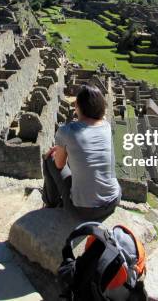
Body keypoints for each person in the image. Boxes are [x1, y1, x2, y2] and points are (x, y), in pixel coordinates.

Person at [42, 84, 121, 220]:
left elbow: (59, 165)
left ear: (77, 106)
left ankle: (50, 203)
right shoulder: (107, 126)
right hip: (113, 200)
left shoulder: (67, 131)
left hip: (83, 211)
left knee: (49, 159)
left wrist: (61, 151)